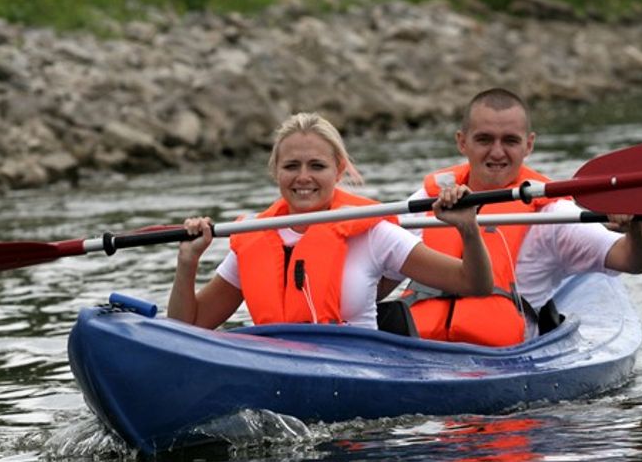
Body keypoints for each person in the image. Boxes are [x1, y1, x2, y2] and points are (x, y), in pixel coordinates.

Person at [167, 111, 493, 330]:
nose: (303, 177)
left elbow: (474, 284)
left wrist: (468, 230)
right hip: (280, 367)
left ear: (338, 171)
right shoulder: (254, 236)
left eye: (317, 166)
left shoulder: (373, 232)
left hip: (356, 374)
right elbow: (187, 329)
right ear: (275, 172)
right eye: (292, 166)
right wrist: (188, 262)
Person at [397, 87, 642, 347]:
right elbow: (374, 268)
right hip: (419, 352)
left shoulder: (552, 216)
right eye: (484, 139)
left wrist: (637, 228)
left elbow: (633, 261)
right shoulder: (423, 204)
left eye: (510, 141)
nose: (497, 153)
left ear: (528, 144)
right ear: (462, 141)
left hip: (504, 359)